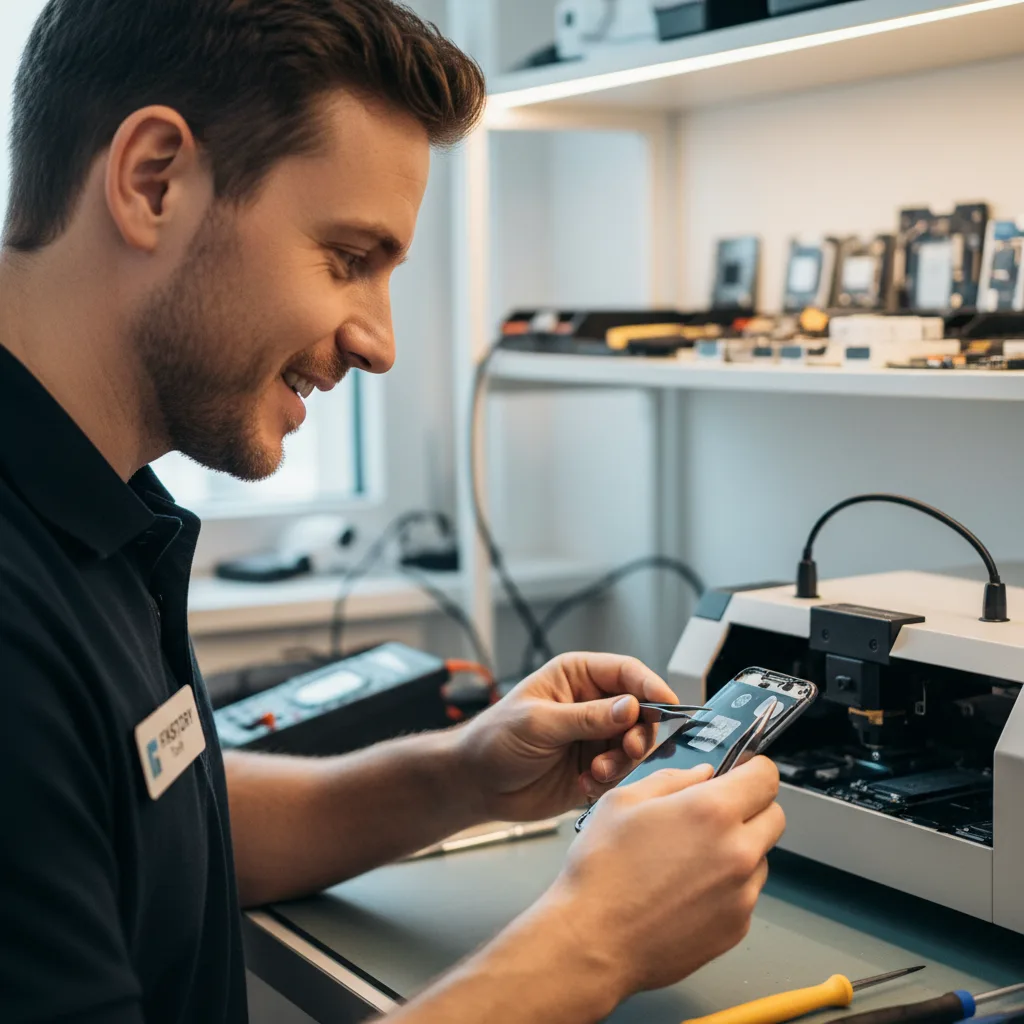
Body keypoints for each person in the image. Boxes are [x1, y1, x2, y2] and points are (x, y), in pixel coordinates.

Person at [0, 2, 785, 1022]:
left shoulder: (97, 514)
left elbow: (139, 819)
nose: (378, 342)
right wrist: (589, 946)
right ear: (154, 180)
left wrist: (461, 776)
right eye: (347, 257)